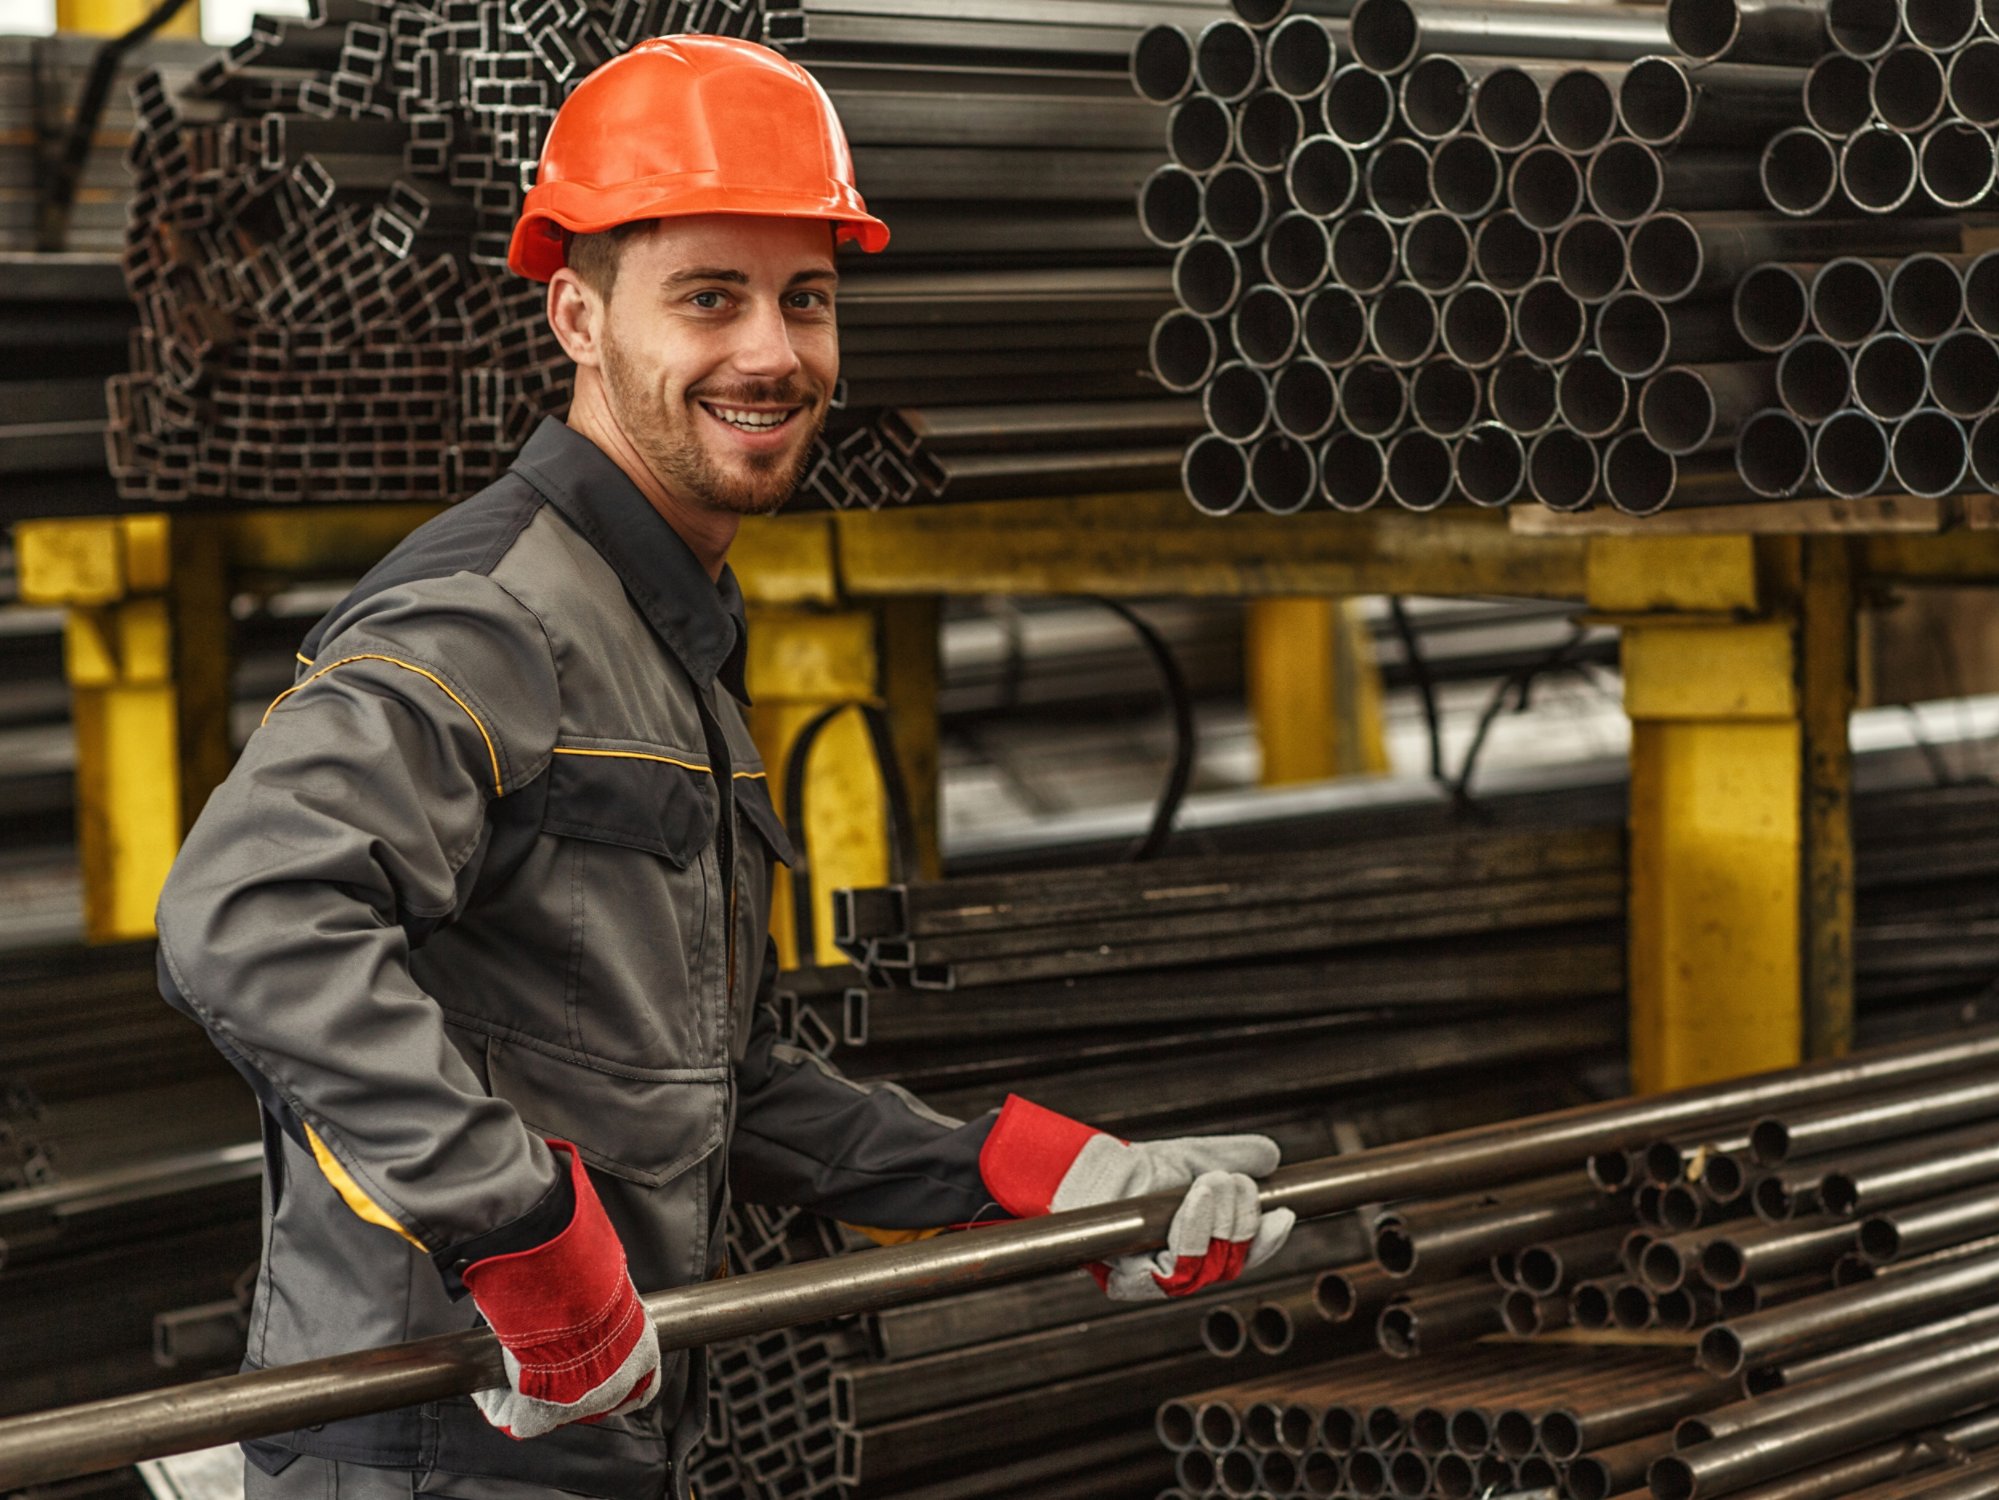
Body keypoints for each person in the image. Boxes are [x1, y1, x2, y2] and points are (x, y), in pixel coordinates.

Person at [155, 35, 1294, 1500]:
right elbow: (247, 916)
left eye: (805, 299)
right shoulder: (491, 614)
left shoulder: (659, 629)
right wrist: (514, 1224)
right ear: (576, 313)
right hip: (435, 1440)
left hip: (583, 1426)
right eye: (709, 296)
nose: (772, 351)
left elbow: (691, 1078)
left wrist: (1011, 1180)